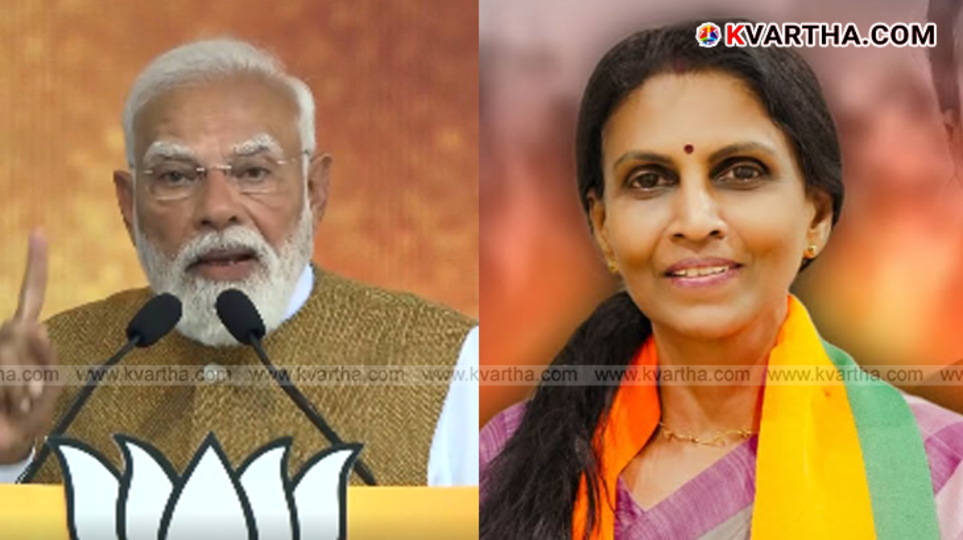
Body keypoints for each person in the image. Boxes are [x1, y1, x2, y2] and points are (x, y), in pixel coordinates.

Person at [479, 19, 963, 540]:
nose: (694, 220)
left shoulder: (939, 470)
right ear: (602, 227)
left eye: (741, 171)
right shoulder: (499, 461)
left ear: (817, 216)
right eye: (649, 180)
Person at [0, 38, 478, 487]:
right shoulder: (49, 369)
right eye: (175, 176)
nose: (217, 208)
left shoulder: (443, 362)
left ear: (315, 191)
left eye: (253, 171)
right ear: (129, 204)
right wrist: (10, 459)